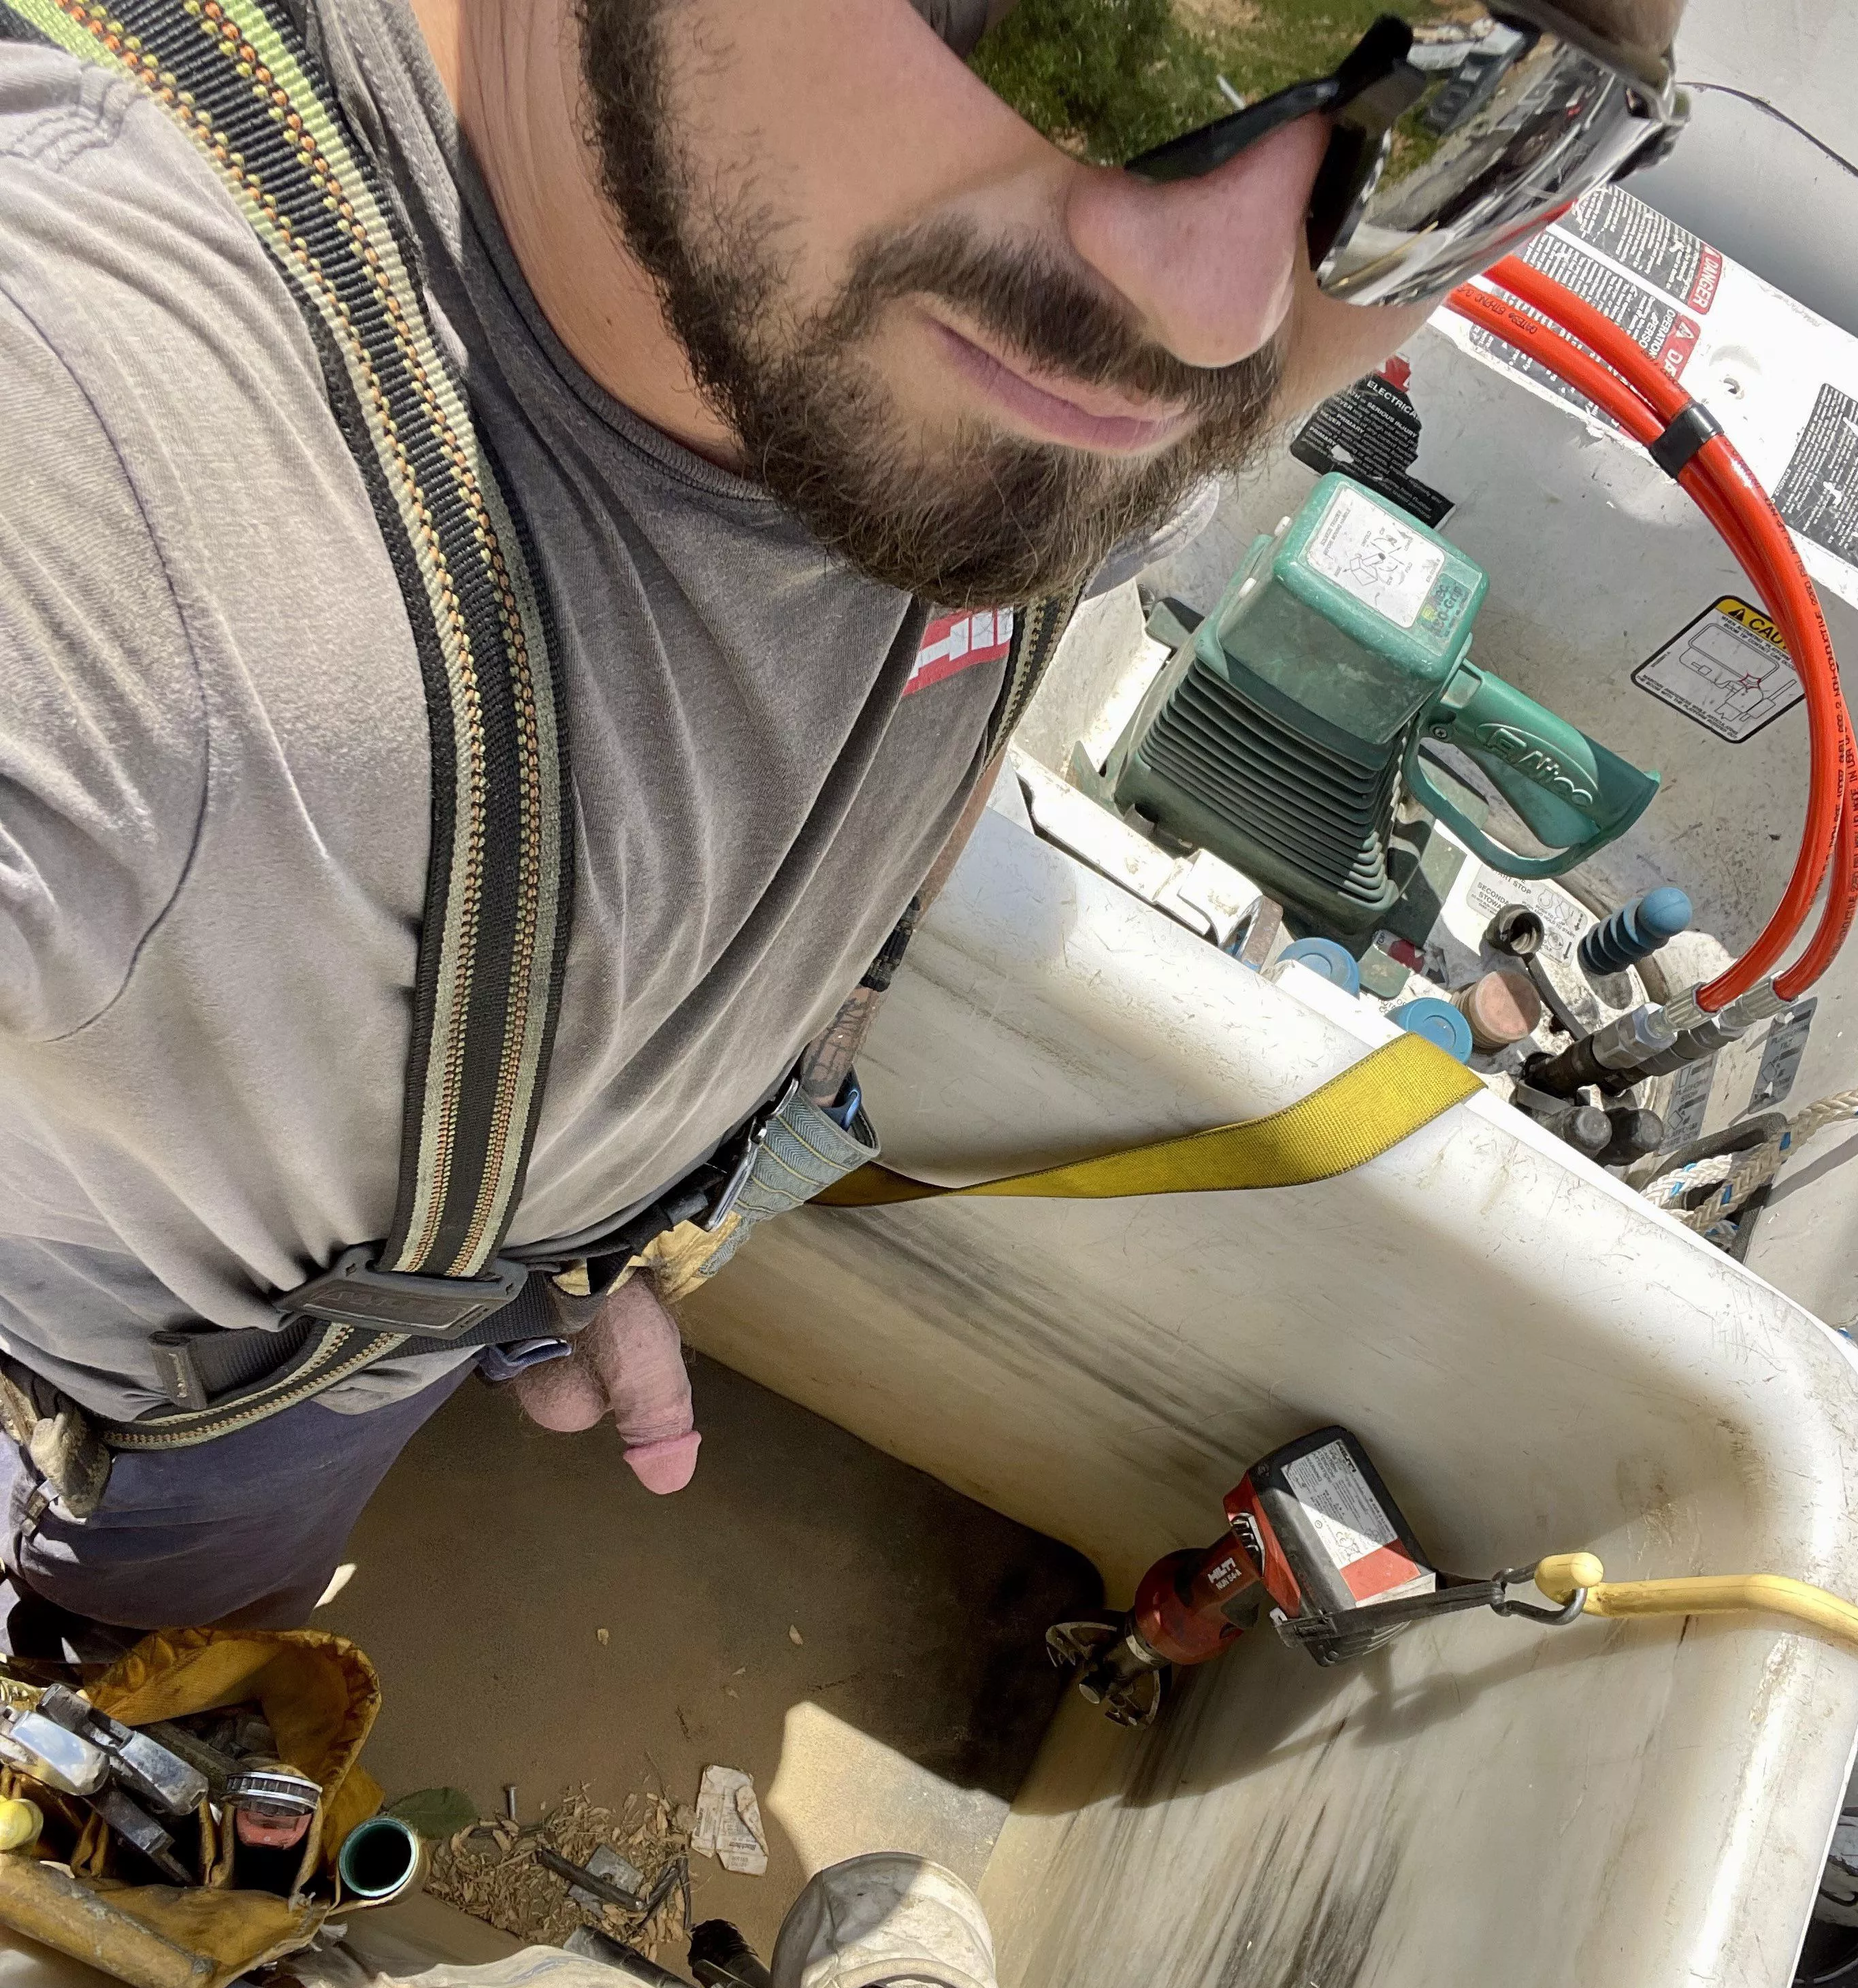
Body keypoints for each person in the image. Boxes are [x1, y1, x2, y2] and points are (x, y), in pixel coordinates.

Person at [0, 0, 1681, 1643]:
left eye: (1489, 117)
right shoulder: (91, 511)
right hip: (125, 1441)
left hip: (406, 1320)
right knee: (140, 1642)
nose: (1220, 305)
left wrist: (544, 1255)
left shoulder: (1039, 389)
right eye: (1137, 20)